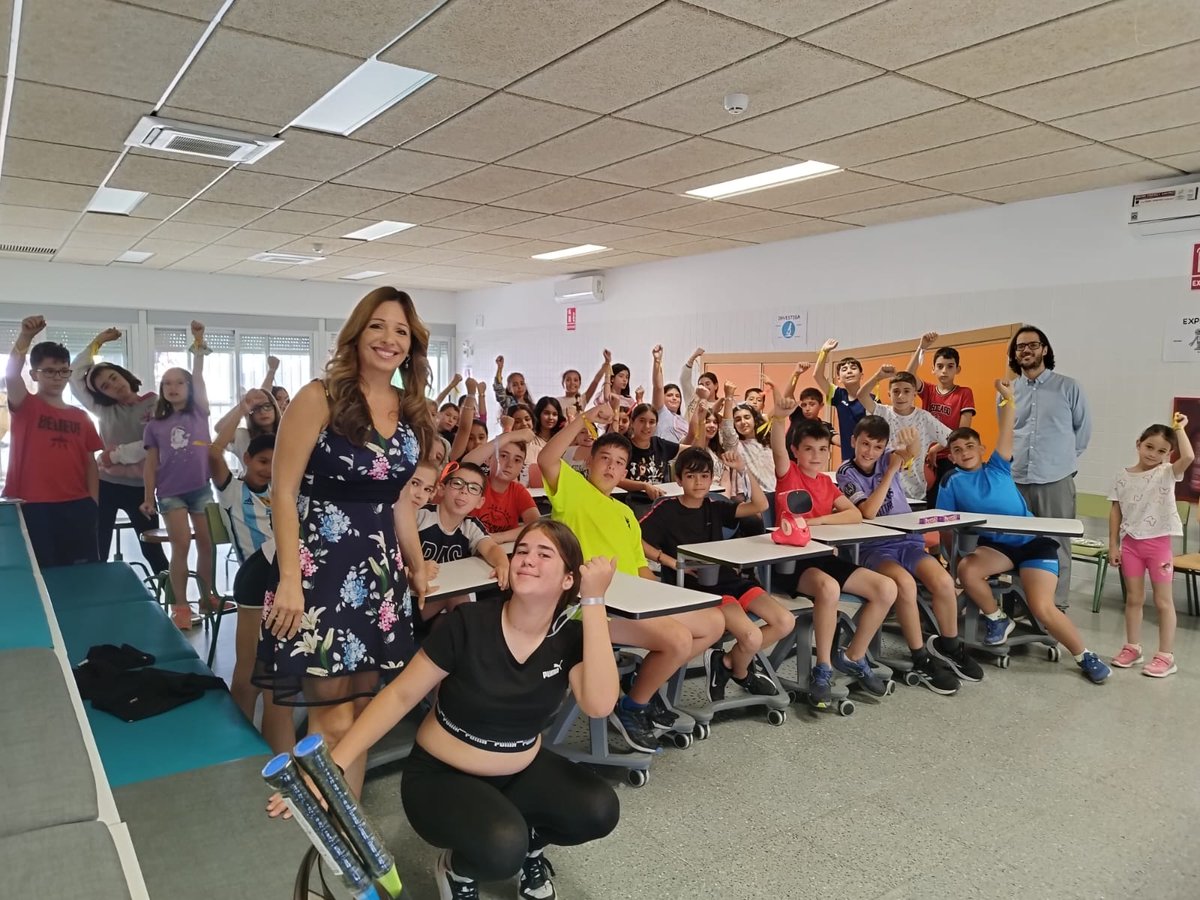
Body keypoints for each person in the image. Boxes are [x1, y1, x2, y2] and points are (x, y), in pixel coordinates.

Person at [273, 522, 620, 900]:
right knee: (504, 845)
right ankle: (459, 872)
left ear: (569, 579)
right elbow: (400, 696)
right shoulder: (469, 623)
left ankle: (531, 846)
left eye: (543, 554)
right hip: (441, 776)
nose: (526, 560)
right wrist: (332, 768)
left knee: (598, 809)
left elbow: (599, 704)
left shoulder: (568, 638)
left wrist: (595, 602)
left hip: (520, 769)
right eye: (522, 550)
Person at [255, 287, 435, 809]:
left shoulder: (408, 408)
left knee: (357, 718)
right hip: (320, 571)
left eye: (401, 331)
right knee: (331, 716)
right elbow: (283, 492)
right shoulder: (321, 397)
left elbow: (399, 498)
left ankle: (347, 832)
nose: (389, 339)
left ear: (412, 346)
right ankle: (338, 845)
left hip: (378, 577)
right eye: (378, 326)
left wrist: (417, 566)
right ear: (357, 333)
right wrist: (291, 580)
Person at [538, 402, 725, 753]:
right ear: (589, 462)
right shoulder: (574, 493)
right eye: (605, 459)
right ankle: (633, 705)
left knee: (713, 623)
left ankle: (645, 684)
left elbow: (641, 569)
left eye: (619, 462)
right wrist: (585, 418)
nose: (611, 467)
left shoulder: (625, 512)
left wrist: (665, 602)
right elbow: (547, 458)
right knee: (679, 639)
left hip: (632, 603)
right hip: (590, 610)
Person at [938, 378, 1110, 684]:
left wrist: (1009, 400)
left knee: (1043, 607)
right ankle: (997, 618)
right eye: (957, 449)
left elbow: (1007, 431)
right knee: (967, 568)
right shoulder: (951, 482)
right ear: (950, 456)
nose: (964, 452)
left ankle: (1085, 655)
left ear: (982, 448)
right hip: (997, 548)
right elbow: (945, 525)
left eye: (969, 446)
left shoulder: (998, 467)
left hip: (1033, 545)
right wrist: (948, 558)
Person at [769, 399, 898, 706]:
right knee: (828, 588)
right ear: (795, 451)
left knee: (886, 587)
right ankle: (823, 667)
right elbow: (776, 448)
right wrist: (778, 419)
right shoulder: (789, 476)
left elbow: (855, 514)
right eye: (809, 449)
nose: (816, 455)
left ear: (830, 452)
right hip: (791, 565)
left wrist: (817, 520)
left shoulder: (827, 485)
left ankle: (853, 655)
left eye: (823, 449)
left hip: (824, 558)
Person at [639, 447, 795, 701]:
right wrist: (668, 561)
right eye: (690, 476)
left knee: (785, 622)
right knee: (752, 636)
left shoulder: (715, 507)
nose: (698, 482)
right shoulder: (667, 510)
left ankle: (727, 663)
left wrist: (743, 471)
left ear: (712, 478)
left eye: (704, 476)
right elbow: (636, 537)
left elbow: (760, 504)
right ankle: (742, 673)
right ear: (678, 479)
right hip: (699, 588)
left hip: (728, 579)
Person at [836, 417, 972, 693]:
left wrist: (911, 446)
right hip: (873, 549)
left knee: (944, 582)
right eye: (865, 444)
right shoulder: (846, 472)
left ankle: (949, 647)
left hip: (907, 542)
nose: (870, 452)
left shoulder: (889, 457)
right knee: (905, 586)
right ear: (853, 441)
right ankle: (920, 657)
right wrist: (890, 472)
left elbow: (908, 453)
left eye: (878, 446)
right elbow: (868, 512)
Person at [208, 396, 292, 752]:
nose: (268, 469)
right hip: (255, 581)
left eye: (275, 463)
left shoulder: (284, 490)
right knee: (247, 673)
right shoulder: (232, 489)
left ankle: (272, 735)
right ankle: (239, 744)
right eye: (261, 461)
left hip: (287, 579)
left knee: (276, 669)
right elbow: (213, 453)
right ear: (246, 459)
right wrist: (243, 409)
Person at [4, 315, 103, 567]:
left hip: (77, 505)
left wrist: (92, 501)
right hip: (32, 505)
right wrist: (25, 337)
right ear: (35, 375)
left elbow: (90, 462)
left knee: (80, 576)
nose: (57, 377)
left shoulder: (81, 417)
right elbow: (12, 374)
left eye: (63, 371)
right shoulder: (26, 406)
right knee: (42, 574)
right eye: (49, 371)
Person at [69, 326, 168, 575]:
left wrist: (115, 455)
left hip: (141, 490)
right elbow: (74, 376)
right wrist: (97, 343)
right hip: (106, 485)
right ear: (101, 394)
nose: (112, 385)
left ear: (123, 375)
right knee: (98, 546)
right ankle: (98, 597)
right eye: (104, 386)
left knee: (151, 549)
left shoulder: (155, 403)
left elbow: (152, 444)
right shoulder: (104, 409)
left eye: (113, 378)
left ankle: (173, 600)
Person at [1008, 325, 1091, 608]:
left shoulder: (1069, 387)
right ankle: (1021, 606)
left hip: (1056, 479)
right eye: (1020, 346)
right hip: (1016, 479)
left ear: (1044, 349)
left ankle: (1056, 607)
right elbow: (1004, 433)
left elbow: (1083, 431)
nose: (1026, 350)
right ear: (1015, 353)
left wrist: (1063, 462)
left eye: (1033, 344)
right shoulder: (1008, 392)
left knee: (1057, 545)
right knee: (1019, 544)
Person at [141, 321, 215, 629]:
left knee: (207, 544)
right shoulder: (154, 425)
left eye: (178, 383)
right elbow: (150, 464)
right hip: (171, 493)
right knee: (181, 546)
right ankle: (180, 605)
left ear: (189, 389)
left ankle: (207, 595)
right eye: (166, 383)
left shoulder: (198, 412)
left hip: (200, 487)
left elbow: (198, 376)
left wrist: (198, 343)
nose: (172, 387)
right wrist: (148, 497)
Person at [1109, 417, 1194, 678]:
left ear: (1169, 454)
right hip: (1131, 545)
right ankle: (1132, 647)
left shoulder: (1167, 472)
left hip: (1158, 546)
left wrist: (1180, 428)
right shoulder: (1122, 476)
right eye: (1149, 447)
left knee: (1162, 601)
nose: (1153, 454)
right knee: (1134, 599)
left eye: (1161, 451)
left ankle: (1166, 656)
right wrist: (1113, 545)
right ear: (1138, 444)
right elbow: (1115, 510)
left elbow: (1189, 456)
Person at [414, 462, 511, 630]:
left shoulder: (471, 526)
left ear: (480, 502)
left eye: (473, 488)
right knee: (458, 599)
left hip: (441, 610)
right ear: (442, 489)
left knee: (452, 624)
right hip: (413, 602)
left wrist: (503, 564)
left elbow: (490, 548)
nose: (464, 491)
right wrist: (416, 569)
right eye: (458, 483)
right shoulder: (420, 515)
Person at [857, 367, 951, 502]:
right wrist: (878, 376)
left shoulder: (924, 418)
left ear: (914, 394)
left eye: (906, 391)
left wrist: (934, 449)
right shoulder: (882, 412)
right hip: (882, 491)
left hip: (914, 493)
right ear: (889, 394)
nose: (901, 396)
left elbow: (950, 437)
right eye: (896, 391)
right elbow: (862, 395)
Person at [905, 332, 975, 506]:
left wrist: (936, 448)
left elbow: (962, 432)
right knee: (923, 504)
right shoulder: (928, 390)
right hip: (925, 457)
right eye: (940, 366)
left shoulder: (964, 393)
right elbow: (908, 375)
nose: (944, 370)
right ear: (933, 369)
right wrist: (922, 347)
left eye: (950, 366)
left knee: (946, 507)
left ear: (957, 369)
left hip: (949, 457)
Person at [464, 428, 540, 544]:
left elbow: (536, 525)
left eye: (517, 460)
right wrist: (509, 436)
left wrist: (498, 537)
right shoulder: (476, 484)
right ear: (488, 459)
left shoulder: (518, 491)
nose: (509, 464)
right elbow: (465, 465)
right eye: (503, 456)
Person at [719, 383, 775, 519]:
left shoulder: (768, 442)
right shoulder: (736, 445)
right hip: (751, 500)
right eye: (737, 419)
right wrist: (728, 397)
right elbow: (727, 429)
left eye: (747, 417)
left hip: (774, 495)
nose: (743, 422)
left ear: (755, 419)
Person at [813, 338, 873, 461]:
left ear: (861, 375)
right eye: (844, 369)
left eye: (853, 368)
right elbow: (817, 376)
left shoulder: (872, 399)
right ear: (839, 378)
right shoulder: (839, 395)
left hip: (871, 458)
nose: (849, 371)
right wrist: (824, 352)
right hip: (848, 459)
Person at [651, 344, 691, 443]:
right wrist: (657, 362)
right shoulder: (661, 412)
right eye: (669, 395)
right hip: (663, 457)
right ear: (662, 397)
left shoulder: (683, 420)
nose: (674, 398)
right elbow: (658, 387)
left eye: (677, 396)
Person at [559, 354, 608, 420]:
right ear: (563, 383)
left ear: (579, 384)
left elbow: (595, 381)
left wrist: (606, 363)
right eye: (568, 380)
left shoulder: (582, 399)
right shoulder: (557, 401)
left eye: (575, 380)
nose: (572, 383)